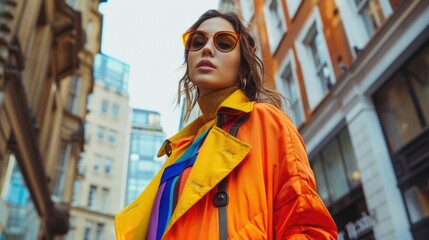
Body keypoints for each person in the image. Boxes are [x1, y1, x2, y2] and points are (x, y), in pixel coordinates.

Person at [115, 9, 337, 240]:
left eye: (224, 42)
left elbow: (306, 228)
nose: (207, 48)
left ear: (241, 65)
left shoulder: (267, 122)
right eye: (197, 41)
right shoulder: (178, 151)